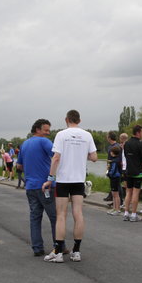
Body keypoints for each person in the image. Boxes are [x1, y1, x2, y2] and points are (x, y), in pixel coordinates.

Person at [42, 110, 97, 263]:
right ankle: (77, 251)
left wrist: (50, 178)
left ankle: (59, 252)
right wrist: (81, 152)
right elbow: (94, 157)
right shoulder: (87, 135)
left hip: (63, 180)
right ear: (79, 120)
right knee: (78, 214)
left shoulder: (61, 135)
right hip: (79, 180)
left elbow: (56, 158)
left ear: (66, 119)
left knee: (61, 215)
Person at [16, 119, 57, 256]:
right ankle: (58, 246)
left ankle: (37, 248)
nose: (48, 132)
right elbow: (57, 157)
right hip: (46, 186)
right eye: (46, 130)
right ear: (37, 130)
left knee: (35, 218)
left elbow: (19, 166)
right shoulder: (44, 142)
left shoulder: (24, 144)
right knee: (55, 217)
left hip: (30, 186)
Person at [122, 125, 142, 222]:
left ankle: (125, 213)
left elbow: (125, 155)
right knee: (136, 192)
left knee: (128, 192)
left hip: (128, 171)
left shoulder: (126, 143)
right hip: (138, 172)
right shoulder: (141, 144)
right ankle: (133, 214)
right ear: (138, 133)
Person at [106, 145, 122, 216]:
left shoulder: (115, 161)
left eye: (111, 152)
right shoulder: (115, 160)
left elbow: (113, 171)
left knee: (116, 194)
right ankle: (114, 208)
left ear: (113, 153)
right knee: (113, 194)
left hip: (115, 178)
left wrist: (108, 174)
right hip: (114, 178)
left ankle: (117, 209)